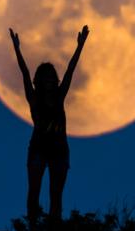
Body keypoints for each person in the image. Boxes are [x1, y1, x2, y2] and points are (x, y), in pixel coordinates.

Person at [9, 25, 89, 220]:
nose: (49, 80)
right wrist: (17, 49)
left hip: (59, 151)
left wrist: (80, 46)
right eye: (45, 77)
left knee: (56, 196)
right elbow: (24, 73)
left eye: (51, 76)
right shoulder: (34, 98)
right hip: (38, 149)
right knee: (34, 193)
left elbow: (70, 70)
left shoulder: (60, 96)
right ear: (39, 80)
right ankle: (33, 229)